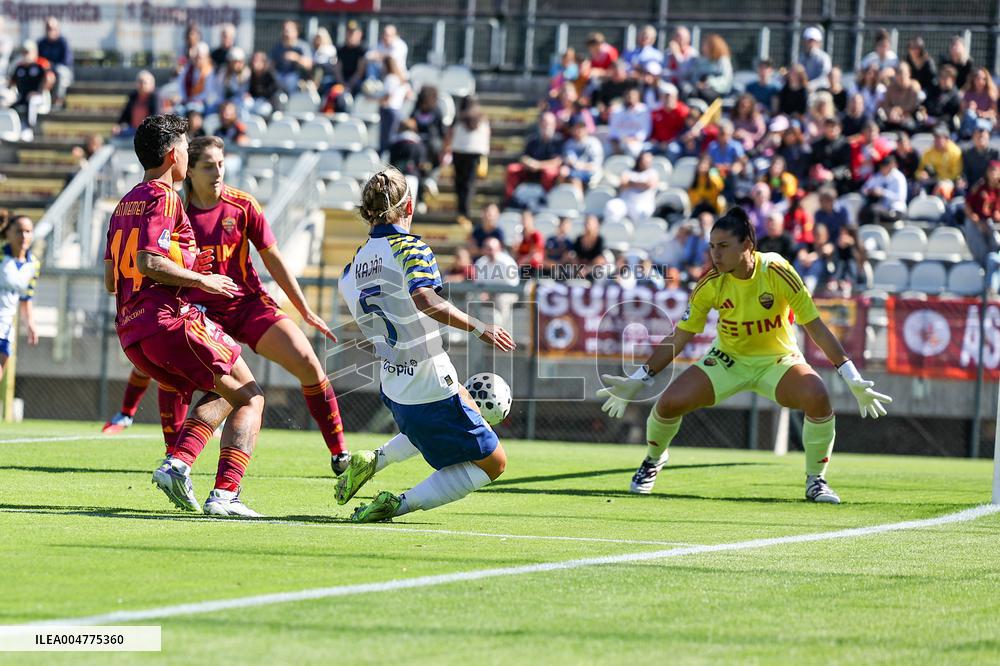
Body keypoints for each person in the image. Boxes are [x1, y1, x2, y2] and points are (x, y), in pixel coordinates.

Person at [597, 207, 892, 503]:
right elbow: (680, 335)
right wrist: (640, 378)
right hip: (728, 361)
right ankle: (652, 460)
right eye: (712, 247)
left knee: (817, 395)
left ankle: (816, 481)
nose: (716, 254)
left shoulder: (777, 270)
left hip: (777, 361)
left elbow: (814, 326)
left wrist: (850, 375)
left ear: (747, 245)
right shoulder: (711, 282)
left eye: (723, 246)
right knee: (668, 404)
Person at [104, 114, 264, 517]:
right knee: (251, 397)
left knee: (224, 392)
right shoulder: (165, 196)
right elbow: (150, 260)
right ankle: (225, 495)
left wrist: (186, 261)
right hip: (168, 320)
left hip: (132, 332)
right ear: (175, 154)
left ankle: (179, 463)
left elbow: (112, 278)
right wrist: (201, 279)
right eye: (186, 147)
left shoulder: (125, 202)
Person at [334, 167, 515, 522]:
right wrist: (480, 327)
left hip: (391, 382)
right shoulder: (410, 247)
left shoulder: (352, 265)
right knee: (494, 463)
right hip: (428, 378)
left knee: (445, 414)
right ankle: (396, 504)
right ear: (410, 206)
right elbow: (425, 300)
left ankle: (375, 459)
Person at [0, 215, 40, 384]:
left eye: (28, 231)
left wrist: (30, 324)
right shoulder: (1, 256)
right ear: (8, 233)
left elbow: (25, 297)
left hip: (7, 326)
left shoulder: (34, 264)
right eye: (19, 231)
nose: (24, 236)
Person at [446, 95, 491, 221]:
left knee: (459, 182)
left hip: (459, 152)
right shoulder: (482, 119)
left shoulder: (458, 118)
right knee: (469, 182)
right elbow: (487, 135)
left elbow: (450, 134)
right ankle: (465, 209)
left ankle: (462, 209)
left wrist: (446, 149)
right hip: (475, 153)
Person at [504, 112, 563, 199]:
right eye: (544, 123)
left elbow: (557, 161)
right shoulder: (533, 139)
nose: (547, 126)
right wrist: (529, 163)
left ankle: (546, 200)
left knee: (549, 173)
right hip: (530, 169)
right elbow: (524, 157)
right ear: (540, 124)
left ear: (554, 125)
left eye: (549, 123)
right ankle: (511, 199)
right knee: (512, 169)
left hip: (545, 170)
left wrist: (539, 165)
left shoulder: (558, 140)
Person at [559, 115, 603, 192]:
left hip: (590, 173)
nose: (579, 130)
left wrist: (579, 166)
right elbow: (567, 162)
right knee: (562, 173)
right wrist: (568, 166)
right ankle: (560, 200)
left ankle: (578, 203)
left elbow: (596, 165)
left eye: (581, 127)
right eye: (576, 127)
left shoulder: (593, 143)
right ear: (571, 129)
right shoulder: (569, 144)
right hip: (573, 172)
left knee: (575, 179)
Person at [377, 56, 411, 154]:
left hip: (388, 111)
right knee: (392, 137)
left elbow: (387, 97)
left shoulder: (390, 78)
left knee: (385, 140)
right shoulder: (401, 79)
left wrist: (371, 99)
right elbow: (409, 95)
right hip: (397, 111)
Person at [35, 17, 72, 106]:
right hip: (45, 70)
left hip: (61, 70)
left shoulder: (62, 42)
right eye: (48, 28)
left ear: (57, 29)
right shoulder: (41, 43)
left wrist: (51, 67)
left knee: (60, 73)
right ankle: (38, 101)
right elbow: (37, 59)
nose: (50, 30)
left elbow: (67, 61)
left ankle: (57, 101)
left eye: (52, 28)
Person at [269, 20, 312, 93]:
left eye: (288, 30)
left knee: (291, 80)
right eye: (284, 30)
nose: (286, 33)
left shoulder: (302, 46)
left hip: (297, 79)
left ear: (296, 32)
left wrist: (296, 58)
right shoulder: (278, 46)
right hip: (280, 77)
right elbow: (270, 64)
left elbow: (309, 65)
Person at [608, 86, 651, 158]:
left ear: (638, 98)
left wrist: (633, 139)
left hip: (636, 141)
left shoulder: (644, 110)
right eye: (628, 96)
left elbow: (645, 131)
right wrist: (618, 141)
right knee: (607, 149)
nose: (630, 99)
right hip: (619, 141)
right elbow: (612, 131)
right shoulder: (616, 111)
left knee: (632, 149)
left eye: (633, 96)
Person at [688, 33, 732, 102]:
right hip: (700, 89)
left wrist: (709, 82)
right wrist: (698, 83)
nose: (703, 48)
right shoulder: (701, 60)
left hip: (716, 91)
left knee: (704, 94)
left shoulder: (723, 60)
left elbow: (726, 80)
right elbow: (695, 76)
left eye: (705, 45)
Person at [114, 70, 159, 138]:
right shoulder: (133, 97)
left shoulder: (155, 98)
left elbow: (155, 117)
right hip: (132, 129)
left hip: (148, 131)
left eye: (144, 83)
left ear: (152, 85)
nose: (142, 85)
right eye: (140, 82)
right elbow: (125, 114)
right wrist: (118, 125)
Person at [963, 119, 999, 191]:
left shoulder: (996, 153)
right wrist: (962, 180)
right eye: (977, 134)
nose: (980, 137)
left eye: (982, 135)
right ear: (973, 136)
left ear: (989, 136)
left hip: (992, 188)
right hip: (972, 189)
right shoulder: (967, 153)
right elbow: (965, 174)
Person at [335, 21, 368, 95]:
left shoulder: (362, 50)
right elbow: (337, 69)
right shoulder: (341, 49)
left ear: (360, 34)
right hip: (343, 80)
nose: (350, 35)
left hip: (356, 81)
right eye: (349, 32)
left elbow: (360, 72)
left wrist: (349, 85)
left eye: (353, 33)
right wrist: (342, 83)